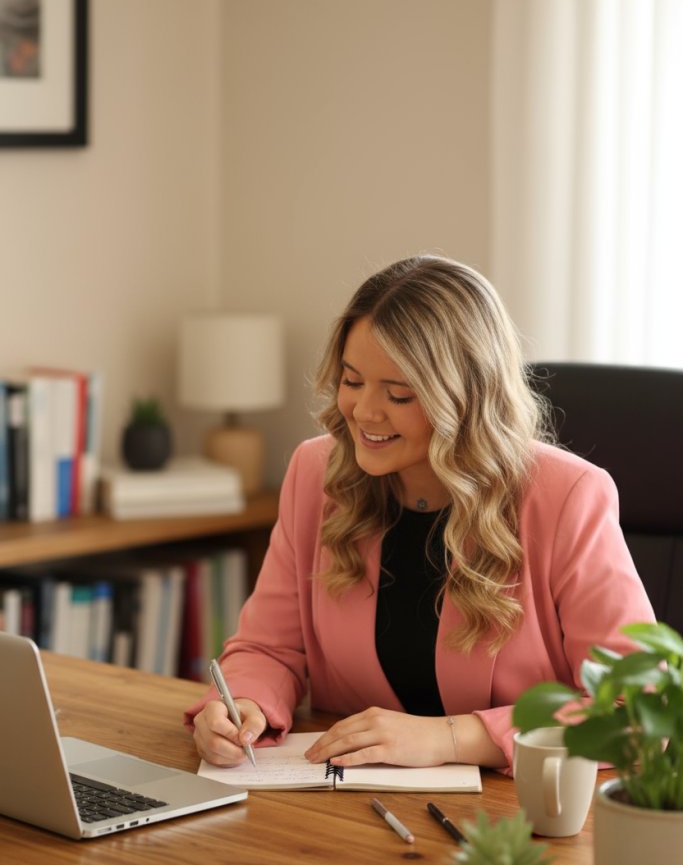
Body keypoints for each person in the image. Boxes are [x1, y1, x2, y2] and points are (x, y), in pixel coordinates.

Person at [185, 255, 654, 773]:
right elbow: (268, 649)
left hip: (515, 818)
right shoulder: (316, 474)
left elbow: (634, 710)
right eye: (352, 380)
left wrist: (453, 739)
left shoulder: (568, 496)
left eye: (399, 393)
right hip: (347, 812)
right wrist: (242, 705)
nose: (365, 411)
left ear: (466, 398)